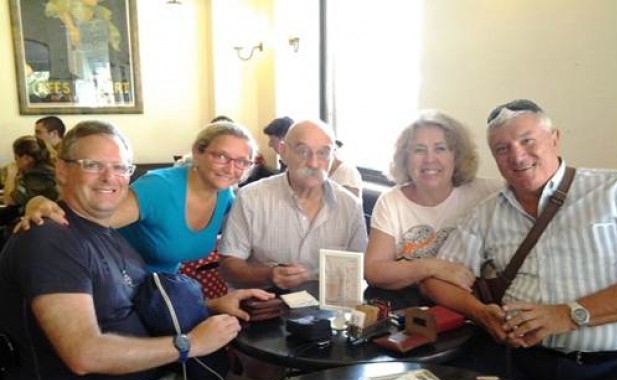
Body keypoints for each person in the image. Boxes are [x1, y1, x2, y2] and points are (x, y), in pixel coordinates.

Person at [0, 120, 265, 380]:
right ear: (62, 170)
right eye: (92, 165)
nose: (109, 177)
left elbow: (136, 305)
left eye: (120, 168)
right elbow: (85, 354)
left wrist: (212, 306)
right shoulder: (50, 240)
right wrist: (190, 344)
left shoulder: (112, 237)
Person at [422, 99, 617, 380]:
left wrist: (568, 314)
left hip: (613, 372)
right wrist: (480, 313)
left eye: (527, 140)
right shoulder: (487, 214)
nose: (517, 156)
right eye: (502, 149)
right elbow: (435, 281)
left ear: (555, 138)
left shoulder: (616, 191)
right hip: (522, 366)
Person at [19, 121, 275, 320]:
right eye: (221, 156)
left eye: (242, 161)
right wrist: (36, 202)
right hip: (113, 297)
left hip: (161, 298)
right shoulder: (159, 188)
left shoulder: (226, 196)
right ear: (198, 152)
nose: (231, 168)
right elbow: (85, 221)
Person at [219, 119, 368, 291]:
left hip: (325, 304)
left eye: (323, 153)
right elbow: (228, 266)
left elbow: (359, 269)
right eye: (303, 151)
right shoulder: (251, 198)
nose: (313, 163)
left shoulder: (350, 206)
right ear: (283, 151)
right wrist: (269, 275)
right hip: (265, 302)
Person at [365, 111, 503, 293]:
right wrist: (433, 267)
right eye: (419, 150)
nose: (429, 159)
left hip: (466, 302)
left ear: (457, 156)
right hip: (408, 304)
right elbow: (374, 271)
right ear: (405, 158)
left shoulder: (486, 192)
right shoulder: (391, 202)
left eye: (440, 148)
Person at [1, 136, 58, 229]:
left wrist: (11, 175)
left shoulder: (37, 176)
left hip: (38, 221)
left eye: (16, 158)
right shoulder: (45, 168)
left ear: (26, 158)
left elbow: (9, 200)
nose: (15, 161)